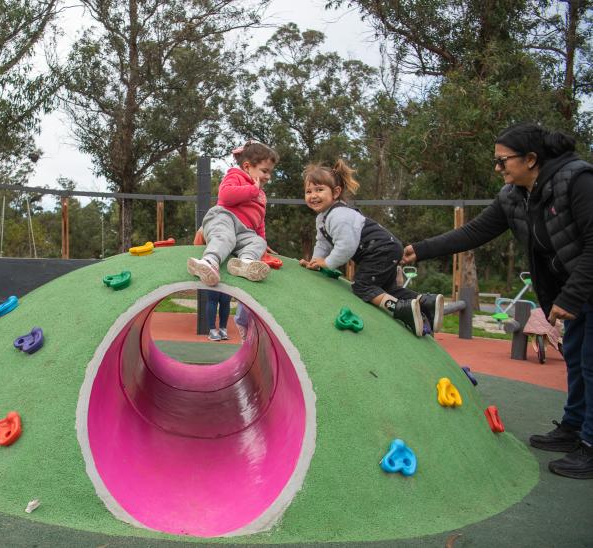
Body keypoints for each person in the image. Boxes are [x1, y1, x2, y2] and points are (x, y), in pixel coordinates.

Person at [402, 123, 593, 479]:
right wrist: (422, 250)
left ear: (531, 159)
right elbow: (474, 231)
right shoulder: (514, 196)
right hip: (576, 288)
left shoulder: (577, 181)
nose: (498, 168)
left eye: (503, 160)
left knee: (591, 361)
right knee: (576, 357)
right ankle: (573, 427)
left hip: (584, 283)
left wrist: (572, 294)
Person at [299, 159, 444, 337]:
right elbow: (322, 243)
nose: (313, 195)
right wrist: (315, 262)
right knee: (387, 289)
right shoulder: (323, 217)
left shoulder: (338, 215)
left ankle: (401, 310)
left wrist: (328, 263)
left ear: (336, 192)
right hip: (386, 248)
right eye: (308, 191)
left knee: (362, 286)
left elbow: (346, 247)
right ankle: (426, 302)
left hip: (379, 250)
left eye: (319, 190)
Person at [187, 141, 278, 286]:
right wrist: (252, 190)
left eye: (270, 172)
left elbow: (260, 221)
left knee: (258, 242)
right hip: (224, 218)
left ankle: (246, 263)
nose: (268, 176)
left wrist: (262, 242)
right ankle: (209, 262)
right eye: (264, 171)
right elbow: (225, 196)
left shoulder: (262, 195)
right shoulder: (235, 176)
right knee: (224, 237)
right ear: (247, 167)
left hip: (244, 231)